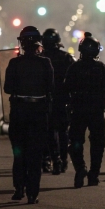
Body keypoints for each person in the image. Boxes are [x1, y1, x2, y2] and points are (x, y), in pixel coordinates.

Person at [4, 26, 54, 204]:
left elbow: (7, 88)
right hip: (38, 114)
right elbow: (51, 88)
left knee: (19, 154)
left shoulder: (14, 63)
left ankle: (19, 189)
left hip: (19, 113)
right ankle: (33, 193)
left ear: (22, 43)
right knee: (35, 155)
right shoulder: (45, 63)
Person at [65, 32, 105, 188]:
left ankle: (80, 168)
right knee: (98, 144)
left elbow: (67, 88)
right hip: (96, 112)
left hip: (78, 111)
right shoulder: (102, 68)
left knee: (76, 142)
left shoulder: (74, 67)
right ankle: (94, 175)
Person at [42, 28, 75, 175]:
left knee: (49, 131)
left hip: (46, 100)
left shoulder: (40, 59)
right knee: (63, 131)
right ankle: (62, 160)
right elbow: (75, 78)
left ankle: (53, 160)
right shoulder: (66, 57)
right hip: (62, 99)